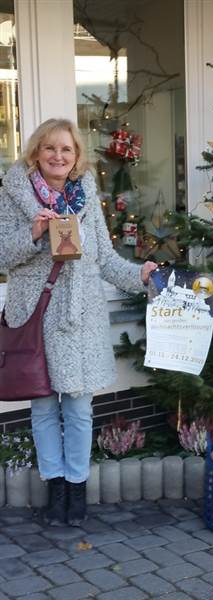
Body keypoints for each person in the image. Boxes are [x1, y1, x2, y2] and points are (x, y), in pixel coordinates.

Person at [0, 119, 157, 526]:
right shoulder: (13, 195)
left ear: (76, 158)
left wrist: (141, 276)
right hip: (35, 316)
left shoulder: (85, 195)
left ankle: (77, 486)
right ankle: (55, 488)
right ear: (36, 153)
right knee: (44, 407)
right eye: (50, 149)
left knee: (79, 408)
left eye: (66, 150)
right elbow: (1, 256)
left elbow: (104, 259)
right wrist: (33, 234)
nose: (58, 156)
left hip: (78, 318)